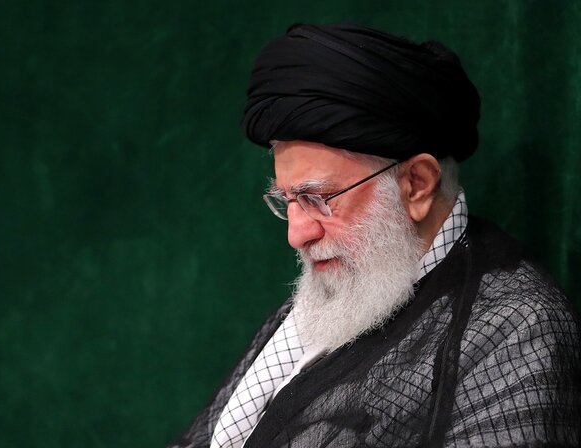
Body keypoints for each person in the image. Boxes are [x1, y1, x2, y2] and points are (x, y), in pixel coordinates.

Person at [169, 23, 580, 447]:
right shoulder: (344, 291)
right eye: (287, 200)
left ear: (417, 184)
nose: (297, 234)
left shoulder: (514, 330)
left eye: (318, 198)